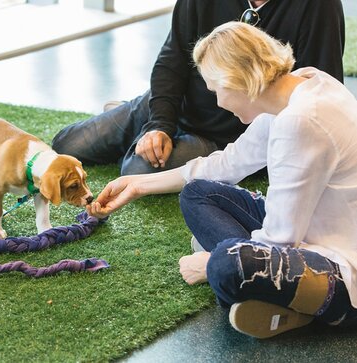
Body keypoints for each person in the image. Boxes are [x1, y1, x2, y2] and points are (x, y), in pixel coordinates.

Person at [86, 22, 357, 338]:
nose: (218, 102)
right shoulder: (307, 84)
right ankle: (278, 298)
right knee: (197, 194)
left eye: (216, 90)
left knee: (224, 266)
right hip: (314, 232)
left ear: (236, 81)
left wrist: (209, 262)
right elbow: (228, 163)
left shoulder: (299, 122)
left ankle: (294, 302)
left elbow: (280, 239)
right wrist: (138, 184)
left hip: (342, 271)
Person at [52, 0, 345, 176]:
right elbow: (173, 57)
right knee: (66, 145)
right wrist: (159, 124)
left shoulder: (319, 7)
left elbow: (316, 89)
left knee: (136, 169)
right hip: (176, 103)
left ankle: (132, 128)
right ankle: (141, 121)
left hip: (226, 135)